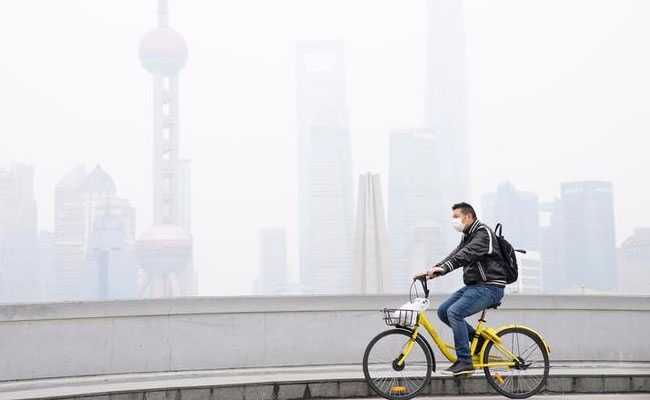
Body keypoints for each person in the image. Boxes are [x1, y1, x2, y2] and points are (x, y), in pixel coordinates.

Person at [414, 202, 508, 376]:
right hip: (475, 286)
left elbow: (466, 255)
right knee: (443, 311)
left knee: (455, 312)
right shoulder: (468, 235)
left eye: (456, 217)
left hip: (490, 287)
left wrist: (445, 268)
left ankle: (465, 361)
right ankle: (477, 341)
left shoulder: (483, 234)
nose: (454, 221)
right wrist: (435, 270)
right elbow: (456, 253)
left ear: (469, 216)